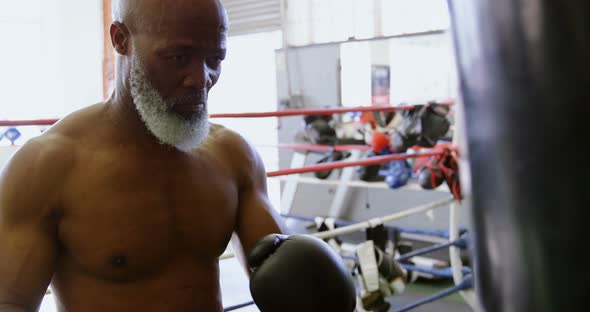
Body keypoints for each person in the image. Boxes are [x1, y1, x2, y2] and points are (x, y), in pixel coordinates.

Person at [0, 0, 355, 311]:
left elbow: (283, 267)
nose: (201, 79)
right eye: (178, 57)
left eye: (215, 59)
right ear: (121, 40)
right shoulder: (48, 166)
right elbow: (10, 301)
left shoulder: (232, 156)